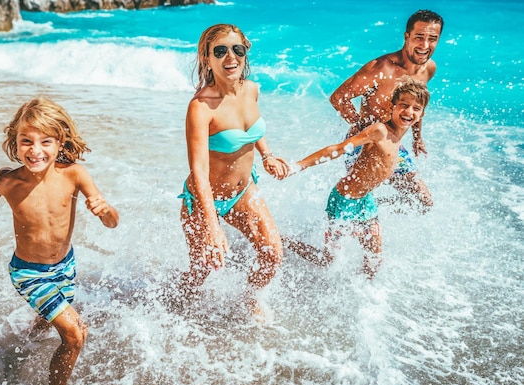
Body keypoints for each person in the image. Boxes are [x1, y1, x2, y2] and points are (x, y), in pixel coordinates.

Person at [0, 97, 119, 385]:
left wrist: (105, 210)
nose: (35, 150)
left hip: (65, 266)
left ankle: (30, 336)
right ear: (15, 141)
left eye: (45, 141)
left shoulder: (74, 175)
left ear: (59, 142)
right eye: (26, 141)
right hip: (27, 272)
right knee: (75, 334)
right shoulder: (8, 181)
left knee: (48, 318)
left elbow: (111, 223)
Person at [178, 23, 289, 320]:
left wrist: (267, 154)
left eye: (237, 49)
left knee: (272, 254)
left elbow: (251, 126)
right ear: (207, 58)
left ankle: (249, 299)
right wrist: (213, 225)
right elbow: (199, 171)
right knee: (202, 270)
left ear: (245, 52)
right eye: (221, 51)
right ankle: (176, 309)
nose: (231, 57)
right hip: (204, 201)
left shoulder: (251, 89)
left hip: (242, 192)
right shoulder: (201, 107)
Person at [283, 77, 430, 278]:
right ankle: (281, 240)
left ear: (421, 113)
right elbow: (338, 149)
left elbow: (414, 121)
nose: (408, 112)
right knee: (327, 260)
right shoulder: (380, 131)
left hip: (365, 201)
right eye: (403, 105)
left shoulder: (401, 133)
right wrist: (297, 166)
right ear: (393, 106)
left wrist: (417, 138)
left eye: (415, 108)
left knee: (375, 260)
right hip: (344, 200)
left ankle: (368, 300)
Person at [329, 10, 443, 213]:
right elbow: (339, 97)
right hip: (364, 147)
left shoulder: (429, 68)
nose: (425, 45)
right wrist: (360, 127)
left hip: (394, 148)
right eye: (419, 37)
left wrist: (417, 137)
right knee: (359, 210)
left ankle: (376, 209)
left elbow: (417, 105)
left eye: (432, 39)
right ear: (407, 36)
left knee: (424, 202)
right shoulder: (381, 69)